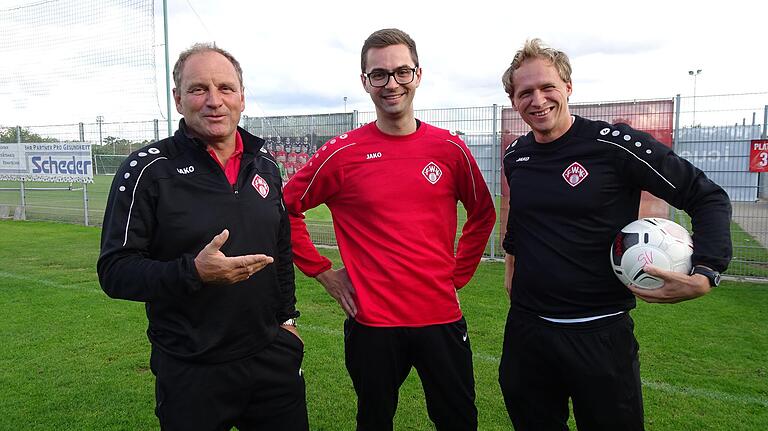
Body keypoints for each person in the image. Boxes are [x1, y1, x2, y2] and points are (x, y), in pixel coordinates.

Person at [498, 38, 732, 430]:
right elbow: (523, 220)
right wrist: (511, 265)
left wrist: (706, 272)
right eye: (525, 92)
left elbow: (705, 195)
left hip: (601, 334)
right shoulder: (516, 155)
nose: (537, 100)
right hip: (527, 334)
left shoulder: (614, 145)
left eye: (547, 87)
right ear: (513, 99)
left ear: (568, 87)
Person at [282, 28, 496, 431]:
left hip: (441, 318)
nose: (391, 83)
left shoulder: (450, 149)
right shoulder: (342, 153)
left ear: (418, 74)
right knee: (374, 420)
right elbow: (284, 208)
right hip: (372, 324)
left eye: (401, 72)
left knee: (459, 421)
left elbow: (483, 213)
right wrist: (322, 270)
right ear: (364, 82)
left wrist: (460, 273)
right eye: (379, 74)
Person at [97, 43, 308, 431]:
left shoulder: (265, 165)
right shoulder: (147, 170)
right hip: (191, 369)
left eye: (225, 88)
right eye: (199, 89)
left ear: (242, 98)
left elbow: (280, 247)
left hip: (271, 358)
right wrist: (193, 272)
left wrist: (287, 322)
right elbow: (114, 271)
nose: (214, 101)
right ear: (178, 100)